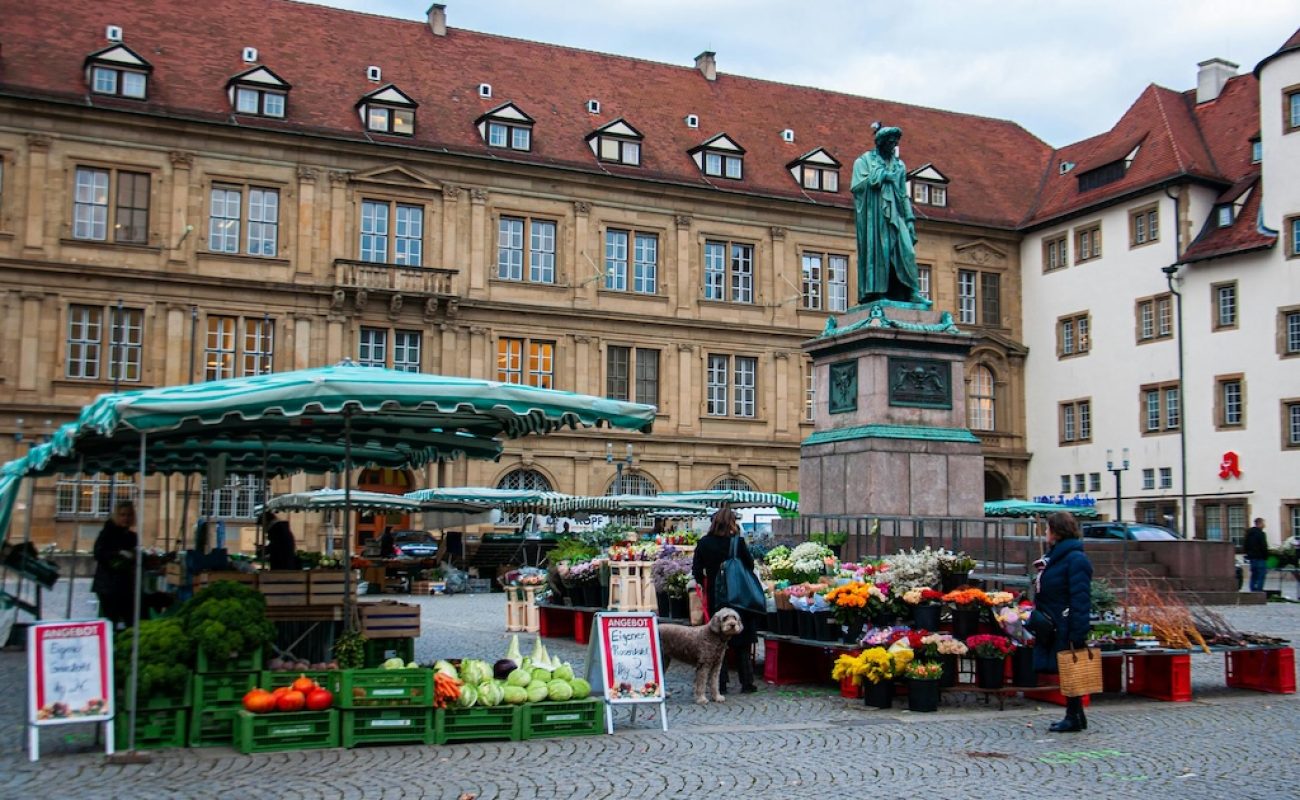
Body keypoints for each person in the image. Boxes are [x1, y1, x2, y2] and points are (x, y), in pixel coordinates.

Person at [851, 124, 927, 306]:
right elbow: (856, 187)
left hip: (897, 215)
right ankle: (878, 292)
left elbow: (903, 194)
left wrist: (909, 219)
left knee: (907, 250)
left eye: (895, 143)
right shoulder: (864, 161)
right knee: (881, 253)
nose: (893, 146)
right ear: (881, 143)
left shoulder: (899, 165)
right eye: (890, 143)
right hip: (875, 219)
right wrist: (881, 177)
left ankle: (912, 291)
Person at [1033, 511, 1093, 733]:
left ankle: (1073, 716)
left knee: (1071, 668)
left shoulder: (1075, 559)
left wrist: (1078, 631)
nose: (1046, 533)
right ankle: (1076, 715)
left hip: (1066, 621)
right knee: (1068, 669)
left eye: (1048, 529)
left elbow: (1080, 597)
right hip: (1055, 620)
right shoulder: (1056, 557)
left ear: (1057, 532)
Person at [691, 507, 758, 695]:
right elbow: (750, 566)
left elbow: (697, 571)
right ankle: (747, 682)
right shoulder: (737, 543)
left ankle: (720, 683)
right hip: (739, 597)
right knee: (742, 641)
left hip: (716, 598)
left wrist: (709, 580)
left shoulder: (704, 543)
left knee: (717, 641)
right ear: (732, 523)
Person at [92, 502, 138, 629]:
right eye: (122, 515)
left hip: (125, 585)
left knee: (130, 619)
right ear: (117, 516)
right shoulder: (107, 533)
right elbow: (98, 553)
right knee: (111, 620)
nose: (126, 518)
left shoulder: (132, 536)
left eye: (129, 515)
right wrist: (118, 553)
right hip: (108, 585)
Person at [1244, 518, 1269, 593]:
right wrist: (1266, 556)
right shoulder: (1261, 534)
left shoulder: (1249, 533)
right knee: (1261, 574)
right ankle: (1259, 590)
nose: (1264, 525)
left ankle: (1252, 589)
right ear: (1260, 524)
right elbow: (1264, 546)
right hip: (1260, 557)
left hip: (1252, 558)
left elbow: (1245, 545)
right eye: (1263, 523)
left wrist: (1249, 554)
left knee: (1254, 574)